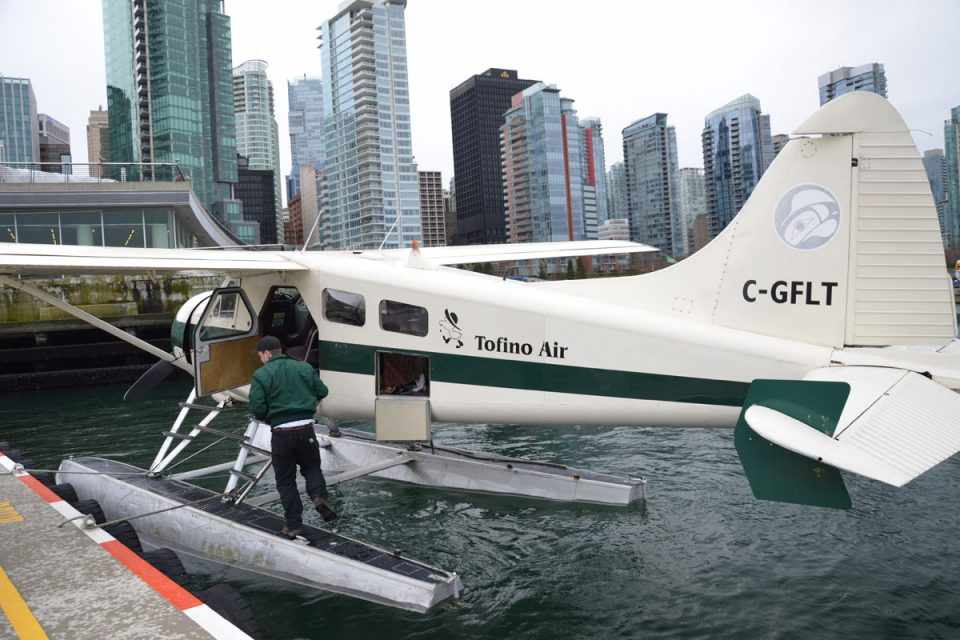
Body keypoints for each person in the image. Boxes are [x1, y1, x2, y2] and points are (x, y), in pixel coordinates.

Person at [249, 335, 337, 538]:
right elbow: (322, 391)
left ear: (266, 353)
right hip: (306, 429)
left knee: (286, 481)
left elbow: (257, 407)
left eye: (260, 356)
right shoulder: (304, 367)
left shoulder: (261, 375)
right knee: (312, 467)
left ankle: (294, 524)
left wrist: (270, 418)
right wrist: (307, 406)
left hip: (281, 434)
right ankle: (318, 497)